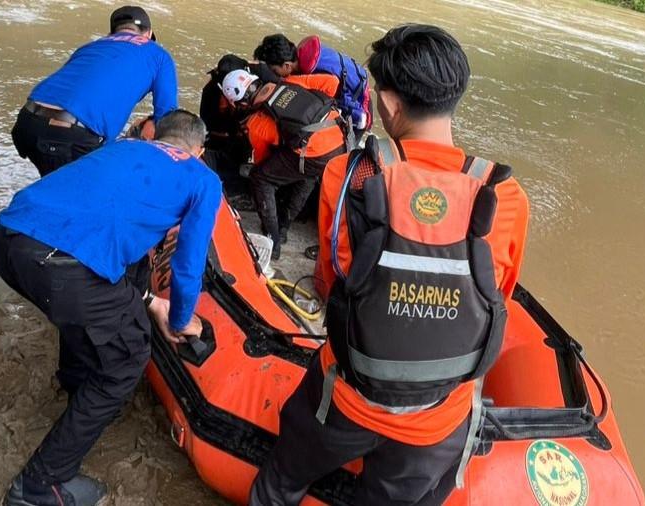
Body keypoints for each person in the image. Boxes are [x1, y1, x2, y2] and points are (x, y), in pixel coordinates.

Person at [249, 25, 530, 506]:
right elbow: (498, 295)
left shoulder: (353, 172)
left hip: (348, 396)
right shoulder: (505, 195)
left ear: (390, 103)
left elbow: (332, 282)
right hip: (440, 418)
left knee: (279, 483)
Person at [0, 110, 221, 506]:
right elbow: (188, 264)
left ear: (155, 133)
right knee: (128, 358)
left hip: (3, 239)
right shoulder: (202, 178)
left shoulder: (124, 148)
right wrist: (178, 319)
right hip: (60, 267)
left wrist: (149, 302)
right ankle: (40, 485)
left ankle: (75, 382)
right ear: (200, 149)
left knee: (92, 307)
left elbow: (116, 257)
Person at [11, 5, 178, 176]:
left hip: (27, 123)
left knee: (57, 187)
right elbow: (167, 119)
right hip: (70, 136)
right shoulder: (159, 55)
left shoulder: (89, 47)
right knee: (93, 194)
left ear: (112, 33)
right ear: (149, 34)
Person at [219, 68, 347, 260]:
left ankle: (274, 238)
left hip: (316, 155)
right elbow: (333, 83)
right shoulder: (291, 81)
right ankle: (285, 224)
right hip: (341, 135)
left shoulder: (257, 123)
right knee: (307, 172)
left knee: (261, 178)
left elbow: (262, 162)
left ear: (241, 103)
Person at [254, 34, 372, 135]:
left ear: (287, 66)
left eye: (275, 71)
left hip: (359, 107)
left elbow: (333, 85)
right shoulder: (305, 54)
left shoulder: (312, 72)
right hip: (358, 82)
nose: (276, 75)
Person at [199, 54, 280, 193]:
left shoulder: (261, 72)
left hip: (263, 124)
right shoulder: (212, 91)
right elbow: (209, 123)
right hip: (229, 133)